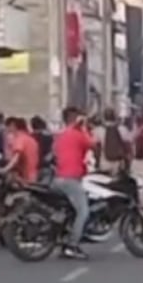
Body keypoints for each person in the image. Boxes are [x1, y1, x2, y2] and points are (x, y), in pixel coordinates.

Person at [52, 107, 97, 260]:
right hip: (71, 178)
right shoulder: (78, 134)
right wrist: (83, 128)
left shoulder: (61, 134)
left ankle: (66, 237)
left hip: (58, 178)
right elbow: (93, 144)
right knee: (83, 211)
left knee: (71, 210)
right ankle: (72, 245)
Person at [0, 117, 40, 184]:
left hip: (25, 177)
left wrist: (5, 169)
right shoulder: (31, 139)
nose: (7, 130)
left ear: (13, 126)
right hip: (33, 175)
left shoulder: (20, 139)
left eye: (8, 127)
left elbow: (16, 158)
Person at [93, 108, 132, 174]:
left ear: (104, 117)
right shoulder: (123, 129)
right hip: (119, 164)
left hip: (104, 164)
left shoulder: (98, 130)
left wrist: (97, 162)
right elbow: (128, 148)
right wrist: (127, 165)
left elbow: (96, 149)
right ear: (115, 117)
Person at [30, 115, 55, 182]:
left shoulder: (29, 137)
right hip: (45, 167)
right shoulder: (48, 136)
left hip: (31, 168)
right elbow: (52, 152)